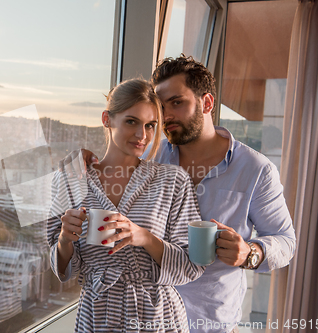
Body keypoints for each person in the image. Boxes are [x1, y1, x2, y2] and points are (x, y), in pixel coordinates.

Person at [60, 56, 296, 333]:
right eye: (160, 106)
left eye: (177, 102)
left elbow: (286, 242)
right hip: (144, 319)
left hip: (209, 323)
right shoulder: (149, 153)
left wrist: (249, 253)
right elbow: (111, 165)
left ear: (206, 103)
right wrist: (83, 160)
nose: (165, 115)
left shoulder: (255, 170)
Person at [47, 78, 205, 333]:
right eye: (132, 121)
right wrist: (65, 240)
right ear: (107, 119)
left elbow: (193, 265)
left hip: (158, 318)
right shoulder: (71, 178)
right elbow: (62, 269)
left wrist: (143, 237)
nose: (142, 135)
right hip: (97, 317)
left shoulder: (173, 181)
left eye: (151, 125)